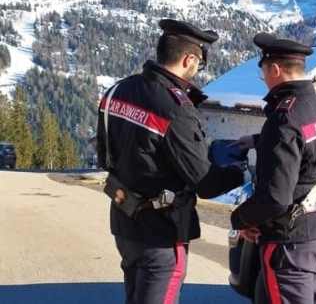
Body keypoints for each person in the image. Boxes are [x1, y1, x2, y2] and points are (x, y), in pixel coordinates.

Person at [97, 19, 245, 304]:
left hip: (124, 220)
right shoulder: (176, 109)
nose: (197, 71)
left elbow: (106, 155)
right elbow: (206, 184)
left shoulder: (117, 90)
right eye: (199, 64)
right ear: (189, 59)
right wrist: (242, 172)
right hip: (162, 231)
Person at [230, 33, 316, 304]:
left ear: (275, 69)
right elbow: (309, 152)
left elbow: (276, 198)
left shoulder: (284, 117)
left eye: (264, 74)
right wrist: (259, 141)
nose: (264, 81)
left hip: (290, 239)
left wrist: (240, 220)